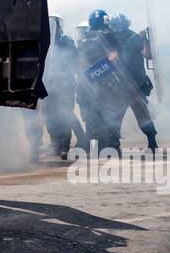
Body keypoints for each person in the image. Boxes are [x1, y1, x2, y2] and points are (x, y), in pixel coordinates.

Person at [78, 10, 159, 152]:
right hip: (136, 85)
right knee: (143, 117)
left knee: (115, 118)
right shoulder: (134, 37)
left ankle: (114, 148)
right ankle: (153, 144)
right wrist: (145, 39)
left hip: (121, 87)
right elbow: (148, 55)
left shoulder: (109, 38)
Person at [42, 15, 85, 158]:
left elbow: (75, 61)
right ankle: (55, 143)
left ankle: (65, 145)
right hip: (48, 85)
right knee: (49, 115)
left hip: (64, 85)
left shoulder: (66, 41)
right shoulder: (44, 41)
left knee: (65, 114)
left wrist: (78, 77)